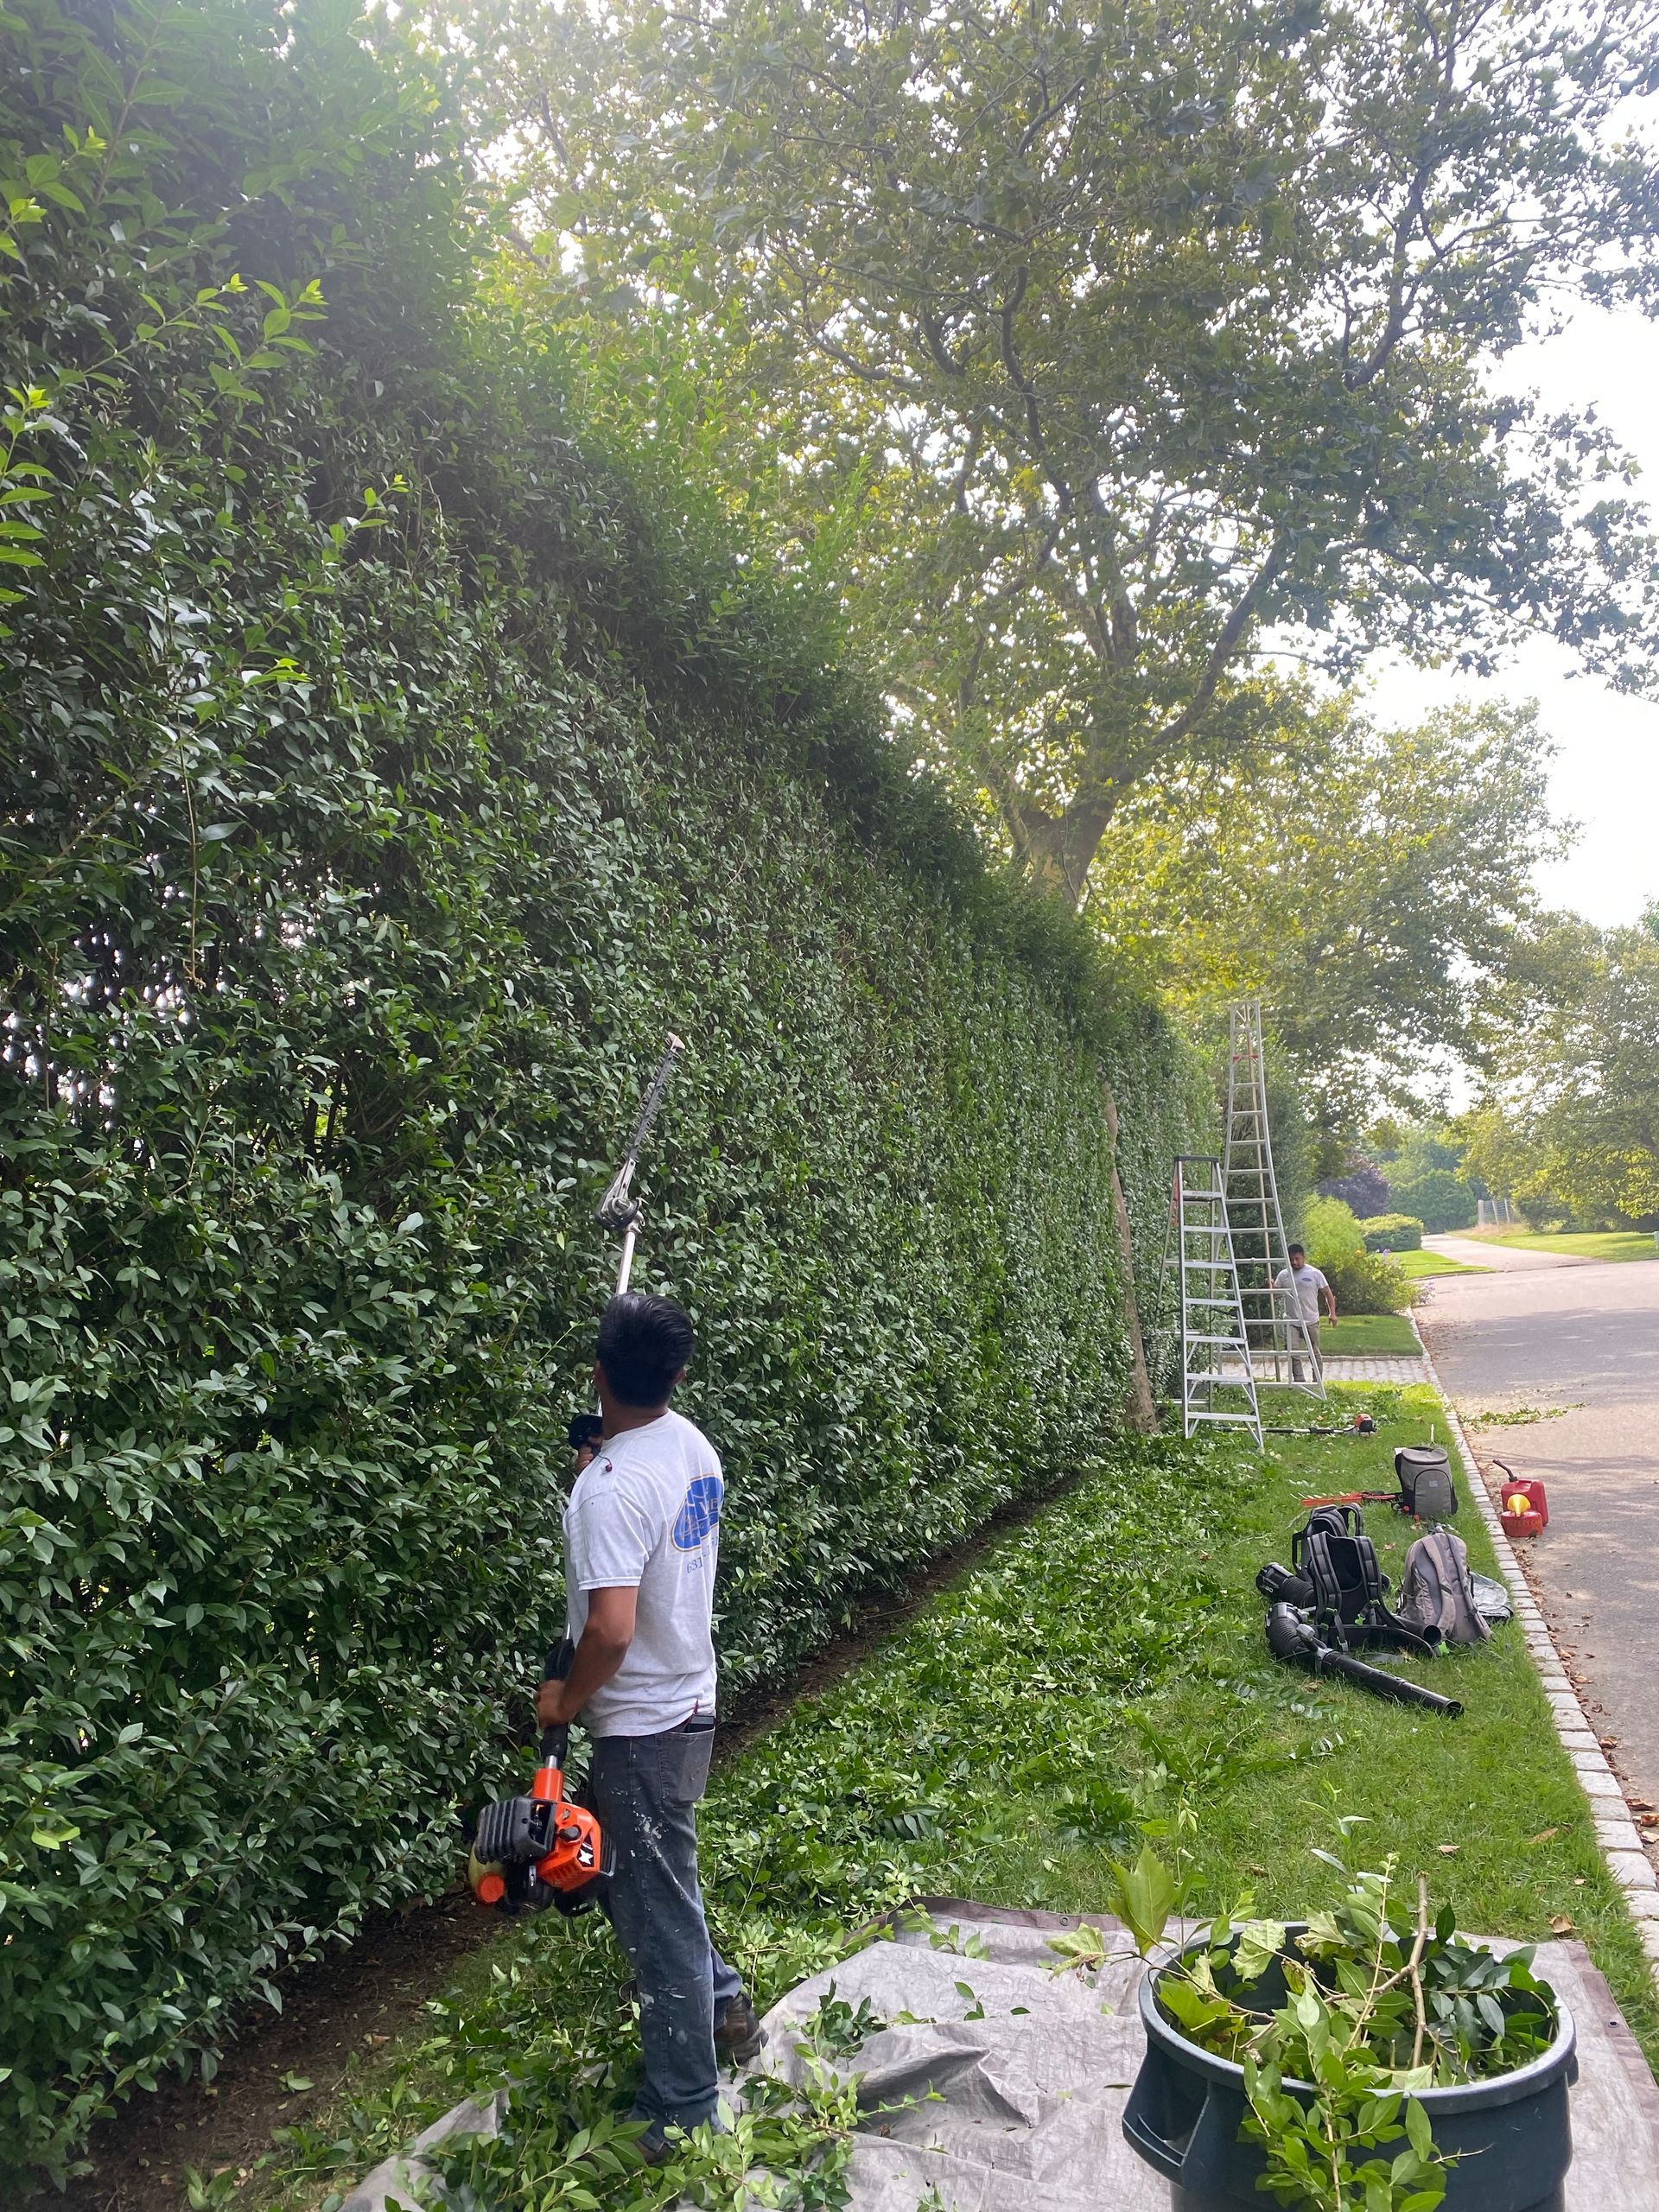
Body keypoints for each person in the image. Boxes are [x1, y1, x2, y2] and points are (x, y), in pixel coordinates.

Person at [537, 1291, 762, 2159]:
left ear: (598, 1373)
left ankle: (684, 2105)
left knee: (654, 1912)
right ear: (678, 1374)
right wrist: (605, 1460)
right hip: (689, 1700)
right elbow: (651, 1511)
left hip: (639, 1725)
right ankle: (723, 2003)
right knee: (652, 1879)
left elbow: (610, 1630)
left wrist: (562, 1702)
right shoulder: (691, 1446)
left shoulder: (610, 1489)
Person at [1274, 1242, 1337, 1380]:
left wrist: (1332, 1313)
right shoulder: (1283, 1275)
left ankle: (1317, 1381)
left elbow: (1328, 1293)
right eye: (1291, 1259)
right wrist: (1271, 1288)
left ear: (1303, 1257)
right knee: (1293, 1351)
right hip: (1291, 1320)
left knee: (1313, 1352)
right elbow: (1275, 1295)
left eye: (1297, 1259)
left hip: (1311, 1320)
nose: (1294, 1262)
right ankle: (1299, 1380)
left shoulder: (1315, 1273)